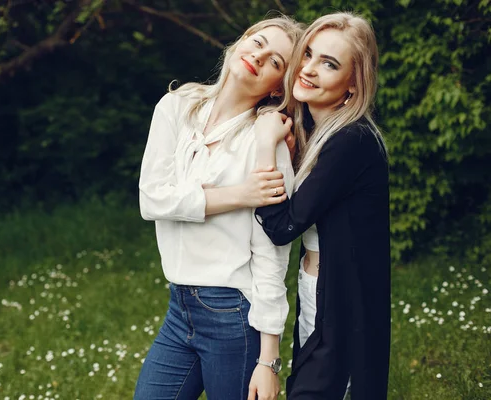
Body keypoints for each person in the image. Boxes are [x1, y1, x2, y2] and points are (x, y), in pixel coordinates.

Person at [134, 15, 304, 400]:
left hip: (233, 314)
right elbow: (152, 199)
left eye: (276, 62)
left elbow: (272, 256)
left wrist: (268, 360)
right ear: (240, 42)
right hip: (179, 308)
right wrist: (240, 195)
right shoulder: (177, 106)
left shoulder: (267, 141)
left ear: (278, 87)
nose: (260, 57)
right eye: (258, 42)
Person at [252, 12, 391, 400]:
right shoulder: (318, 132)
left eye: (329, 64)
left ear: (353, 83)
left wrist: (265, 146)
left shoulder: (351, 141)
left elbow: (282, 226)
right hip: (320, 288)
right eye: (308, 54)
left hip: (343, 302)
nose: (308, 69)